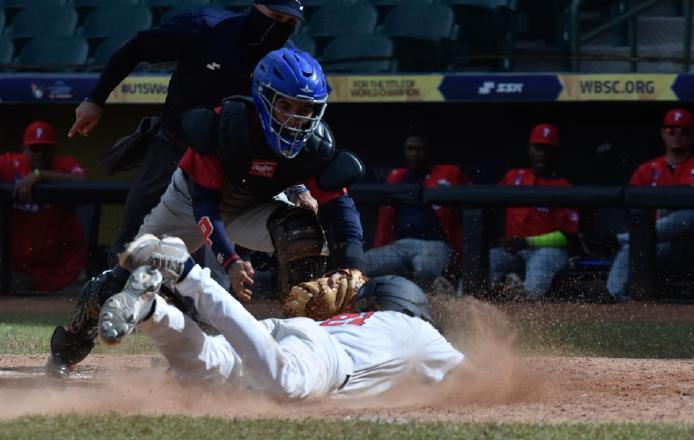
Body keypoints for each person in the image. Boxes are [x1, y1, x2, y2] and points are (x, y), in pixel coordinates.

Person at [47, 48, 364, 376]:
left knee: (302, 234)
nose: (294, 119)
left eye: (305, 109)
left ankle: (304, 346)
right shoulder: (225, 127)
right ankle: (71, 343)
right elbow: (205, 205)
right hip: (186, 205)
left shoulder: (315, 144)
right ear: (262, 98)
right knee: (128, 285)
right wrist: (231, 260)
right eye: (285, 105)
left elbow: (341, 209)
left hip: (250, 207)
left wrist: (354, 268)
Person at [68, 0, 306, 264]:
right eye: (275, 16)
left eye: (290, 23)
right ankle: (114, 298)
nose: (280, 26)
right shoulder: (205, 27)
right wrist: (96, 99)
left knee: (214, 263)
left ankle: (199, 302)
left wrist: (296, 184)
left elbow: (288, 122)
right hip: (172, 147)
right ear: (256, 6)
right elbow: (135, 49)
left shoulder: (285, 60)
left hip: (227, 163)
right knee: (132, 244)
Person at [98, 234, 464, 400]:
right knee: (286, 386)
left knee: (205, 366)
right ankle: (188, 272)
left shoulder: (359, 321)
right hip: (326, 360)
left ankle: (152, 311)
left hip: (290, 333)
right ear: (410, 307)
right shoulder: (417, 329)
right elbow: (471, 376)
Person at [606, 109, 694, 301]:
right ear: (662, 133)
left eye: (683, 131)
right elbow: (632, 212)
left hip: (693, 250)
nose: (677, 135)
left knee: (687, 215)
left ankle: (624, 239)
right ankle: (613, 296)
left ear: (693, 135)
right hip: (658, 247)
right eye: (672, 130)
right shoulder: (646, 170)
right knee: (634, 246)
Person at [364, 126, 468, 288]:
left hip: (433, 243)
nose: (415, 154)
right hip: (399, 246)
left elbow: (469, 203)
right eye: (410, 149)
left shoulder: (448, 173)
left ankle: (425, 309)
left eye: (420, 149)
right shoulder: (397, 177)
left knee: (426, 269)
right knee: (363, 264)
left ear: (429, 151)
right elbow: (384, 221)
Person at [488, 123, 578, 300]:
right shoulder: (513, 176)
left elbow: (567, 237)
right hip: (512, 249)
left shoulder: (564, 187)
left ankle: (519, 296)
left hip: (546, 250)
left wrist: (528, 241)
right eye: (537, 148)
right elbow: (489, 205)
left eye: (547, 149)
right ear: (529, 149)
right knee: (490, 259)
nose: (542, 154)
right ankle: (466, 299)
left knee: (536, 279)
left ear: (556, 153)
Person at [0, 121, 87, 292]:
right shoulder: (10, 164)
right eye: (34, 149)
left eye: (45, 149)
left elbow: (82, 181)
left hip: (64, 270)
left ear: (54, 150)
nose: (40, 154)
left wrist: (40, 175)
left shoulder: (65, 165)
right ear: (24, 149)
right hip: (19, 270)